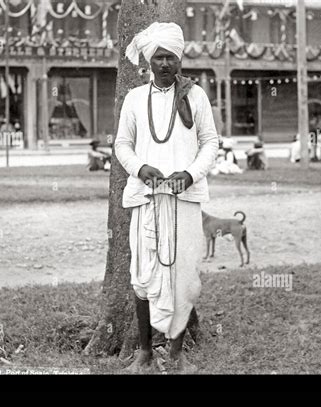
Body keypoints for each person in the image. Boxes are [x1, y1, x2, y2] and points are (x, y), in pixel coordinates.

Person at [114, 22, 218, 373]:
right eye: (159, 57)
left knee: (183, 274)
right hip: (146, 198)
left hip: (185, 200)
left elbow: (211, 143)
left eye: (172, 57)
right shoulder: (134, 99)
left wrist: (189, 174)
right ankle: (144, 352)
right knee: (143, 274)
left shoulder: (196, 95)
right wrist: (140, 168)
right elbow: (122, 145)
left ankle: (176, 353)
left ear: (179, 59)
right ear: (148, 61)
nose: (165, 64)